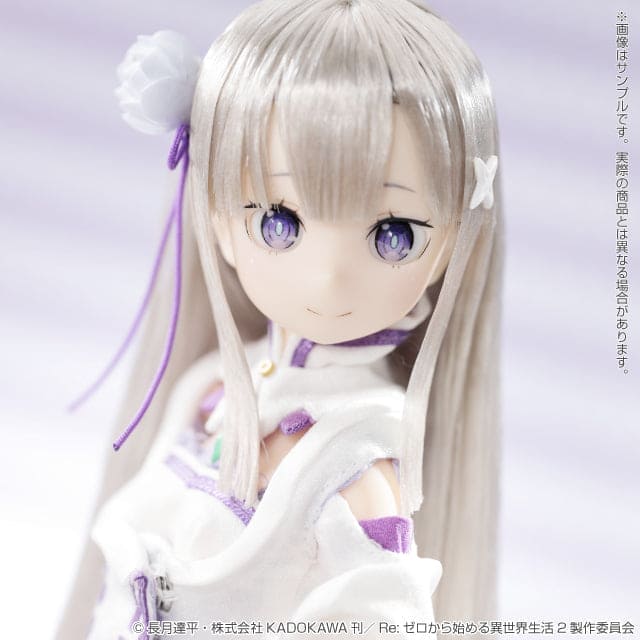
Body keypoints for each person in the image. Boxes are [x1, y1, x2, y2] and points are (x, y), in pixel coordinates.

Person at [56, 1, 502, 638]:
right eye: (279, 222)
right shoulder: (208, 388)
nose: (329, 277)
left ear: (449, 244)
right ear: (219, 220)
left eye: (394, 235)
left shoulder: (354, 458)